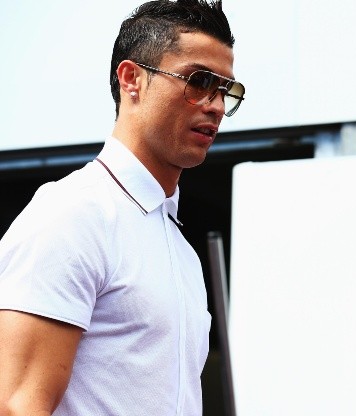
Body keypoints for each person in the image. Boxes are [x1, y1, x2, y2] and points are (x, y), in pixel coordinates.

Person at [0, 1, 244, 414]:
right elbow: (18, 403)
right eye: (198, 80)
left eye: (225, 89)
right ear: (132, 79)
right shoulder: (72, 214)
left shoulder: (178, 245)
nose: (216, 104)